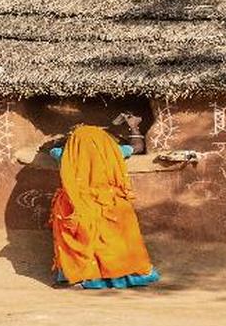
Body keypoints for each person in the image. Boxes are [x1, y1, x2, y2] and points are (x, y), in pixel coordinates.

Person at [43, 119, 158, 290]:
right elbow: (138, 146)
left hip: (77, 203)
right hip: (110, 202)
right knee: (117, 240)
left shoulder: (64, 154)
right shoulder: (113, 151)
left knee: (84, 239)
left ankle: (84, 275)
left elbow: (49, 148)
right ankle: (123, 276)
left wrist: (69, 139)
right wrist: (133, 127)